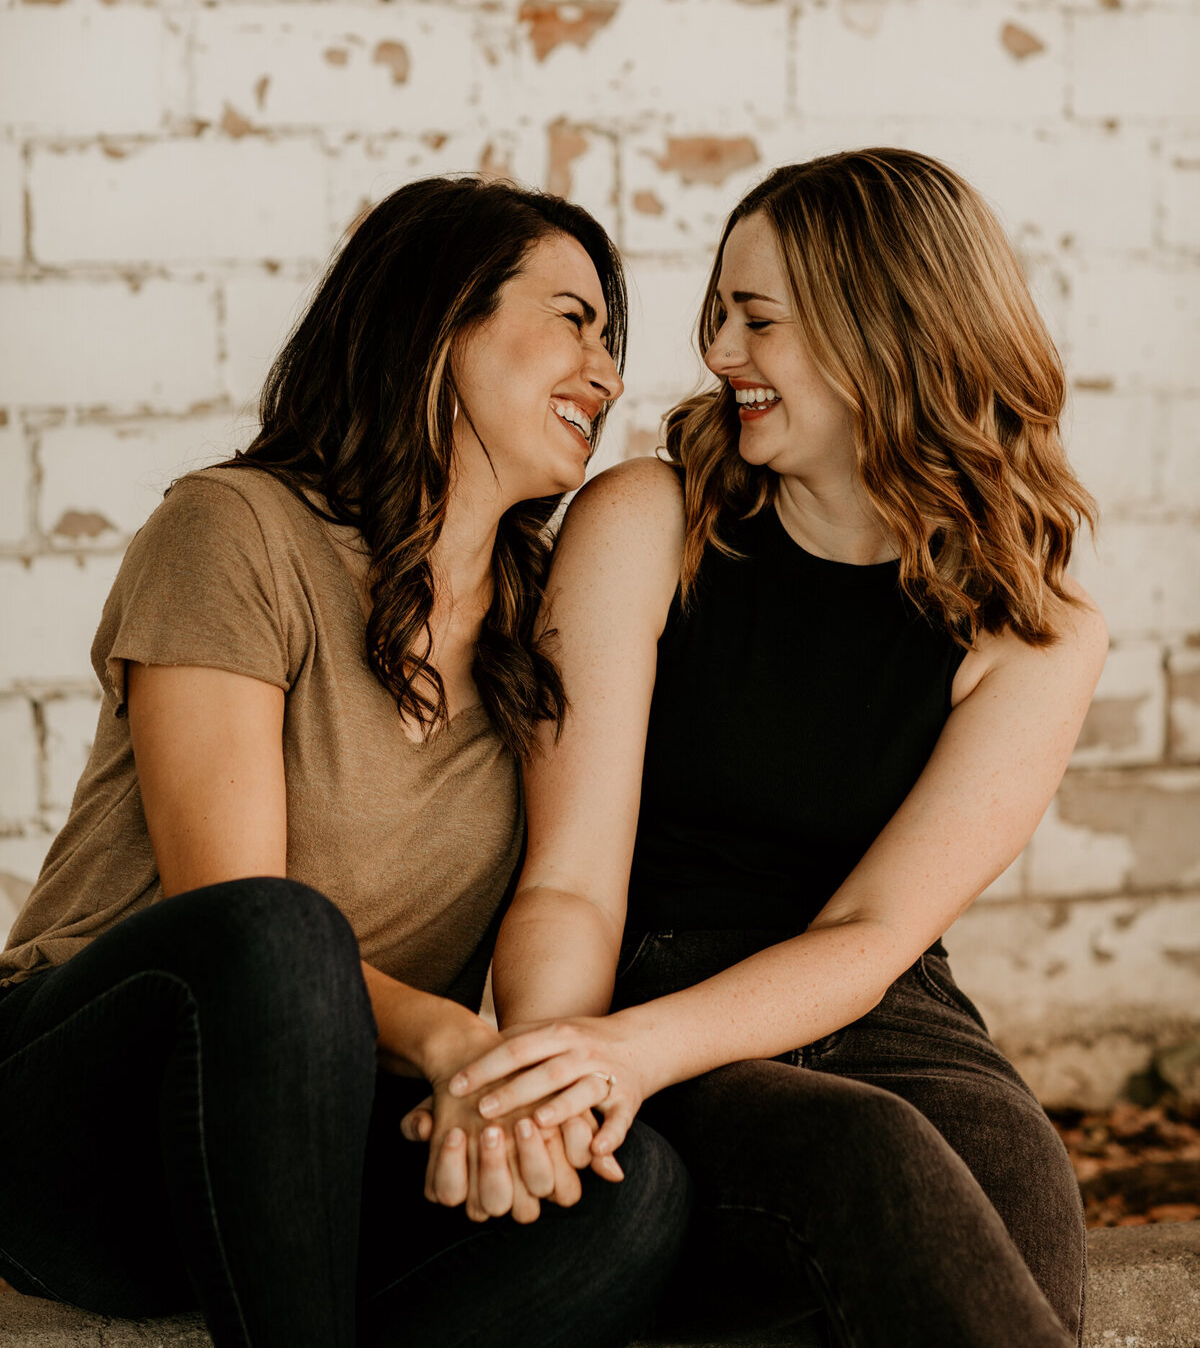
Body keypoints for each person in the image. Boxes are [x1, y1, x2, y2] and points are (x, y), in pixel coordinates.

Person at [425, 151, 1109, 1348]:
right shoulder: (649, 520)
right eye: (721, 315)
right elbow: (570, 880)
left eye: (758, 320)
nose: (719, 354)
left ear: (880, 332)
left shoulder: (1036, 632)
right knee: (870, 1157)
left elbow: (870, 935)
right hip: (662, 1009)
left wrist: (624, 1052)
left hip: (891, 1018)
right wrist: (566, 1066)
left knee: (1012, 1171)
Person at [0, 176, 691, 1348]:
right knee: (282, 934)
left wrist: (513, 1099)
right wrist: (452, 1041)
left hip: (319, 1149)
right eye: (575, 317)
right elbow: (229, 909)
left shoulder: (545, 629)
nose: (609, 374)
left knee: (629, 1195)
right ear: (441, 317)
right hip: (81, 1121)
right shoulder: (236, 529)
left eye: (613, 342)